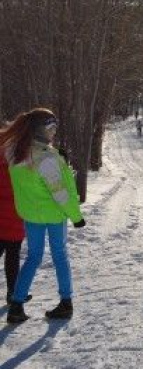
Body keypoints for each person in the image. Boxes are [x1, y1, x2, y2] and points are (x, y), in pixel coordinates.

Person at [2, 108, 85, 323]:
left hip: (31, 216)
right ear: (39, 130)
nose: (53, 132)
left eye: (55, 127)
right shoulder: (46, 159)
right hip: (54, 215)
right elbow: (60, 193)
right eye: (50, 127)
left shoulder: (16, 153)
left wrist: (59, 159)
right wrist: (76, 216)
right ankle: (66, 302)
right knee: (59, 255)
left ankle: (16, 304)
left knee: (33, 257)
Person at [0, 139, 26, 306]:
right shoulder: (21, 164)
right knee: (13, 256)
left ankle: (13, 292)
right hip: (16, 216)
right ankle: (12, 293)